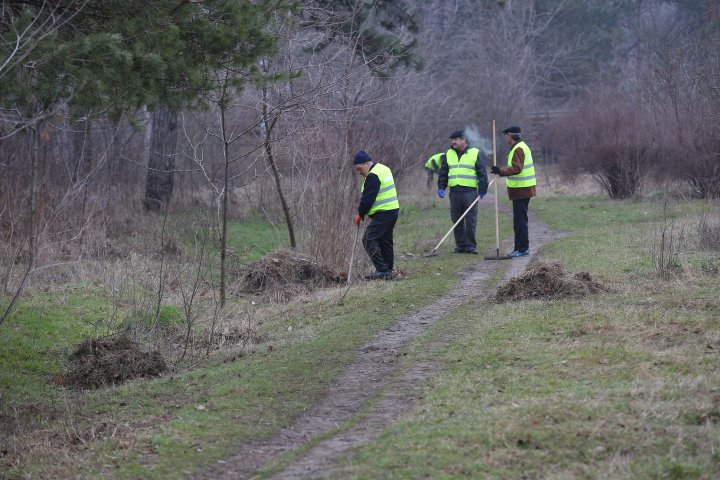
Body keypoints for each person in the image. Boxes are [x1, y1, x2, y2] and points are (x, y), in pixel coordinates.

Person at [437, 129, 489, 254]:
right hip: (454, 192)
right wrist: (441, 187)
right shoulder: (448, 154)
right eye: (452, 140)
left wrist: (482, 189)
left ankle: (471, 245)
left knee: (470, 220)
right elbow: (443, 173)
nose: (453, 142)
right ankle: (460, 245)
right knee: (456, 219)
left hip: (470, 192)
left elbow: (482, 173)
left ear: (464, 140)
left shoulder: (475, 153)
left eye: (456, 139)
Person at [490, 126, 537, 257]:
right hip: (521, 189)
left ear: (510, 136)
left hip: (522, 189)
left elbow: (517, 169)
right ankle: (520, 248)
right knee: (519, 220)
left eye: (506, 136)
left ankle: (522, 249)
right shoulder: (520, 147)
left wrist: (500, 171)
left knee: (520, 221)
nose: (505, 138)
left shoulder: (518, 149)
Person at [353, 150, 400, 280]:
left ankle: (382, 270)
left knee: (368, 239)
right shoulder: (383, 168)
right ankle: (388, 270)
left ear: (367, 164)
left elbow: (368, 198)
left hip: (384, 213)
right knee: (385, 241)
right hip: (392, 211)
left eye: (359, 168)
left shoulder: (373, 175)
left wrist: (360, 214)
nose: (358, 171)